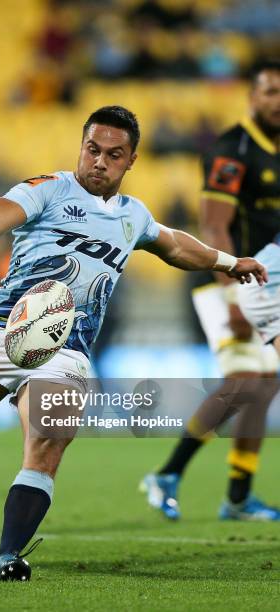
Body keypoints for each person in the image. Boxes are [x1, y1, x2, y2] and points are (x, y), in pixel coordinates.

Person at [0, 106, 266, 581]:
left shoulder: (134, 216)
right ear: (81, 145)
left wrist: (228, 261)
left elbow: (175, 245)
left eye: (113, 155)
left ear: (130, 161)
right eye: (92, 149)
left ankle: (7, 555)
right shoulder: (47, 190)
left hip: (66, 348)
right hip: (0, 331)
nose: (99, 162)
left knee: (49, 440)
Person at [141, 60, 280, 521]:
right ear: (252, 97)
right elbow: (214, 227)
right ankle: (169, 473)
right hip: (225, 280)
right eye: (269, 91)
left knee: (262, 386)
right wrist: (235, 294)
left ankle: (237, 497)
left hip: (267, 283)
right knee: (247, 381)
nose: (277, 102)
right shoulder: (232, 149)